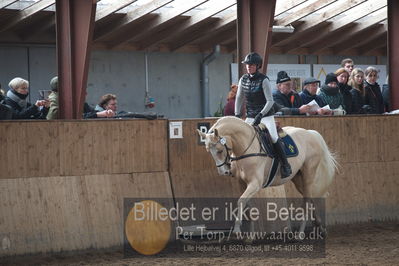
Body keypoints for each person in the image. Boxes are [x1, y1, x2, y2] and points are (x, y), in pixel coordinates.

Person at [235, 52, 291, 178]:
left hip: (265, 115)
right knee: (241, 136)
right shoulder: (243, 79)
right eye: (247, 64)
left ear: (258, 66)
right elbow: (239, 97)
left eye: (252, 64)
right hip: (250, 115)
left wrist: (261, 114)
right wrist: (237, 114)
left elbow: (270, 101)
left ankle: (285, 165)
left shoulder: (264, 80)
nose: (249, 66)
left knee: (273, 137)